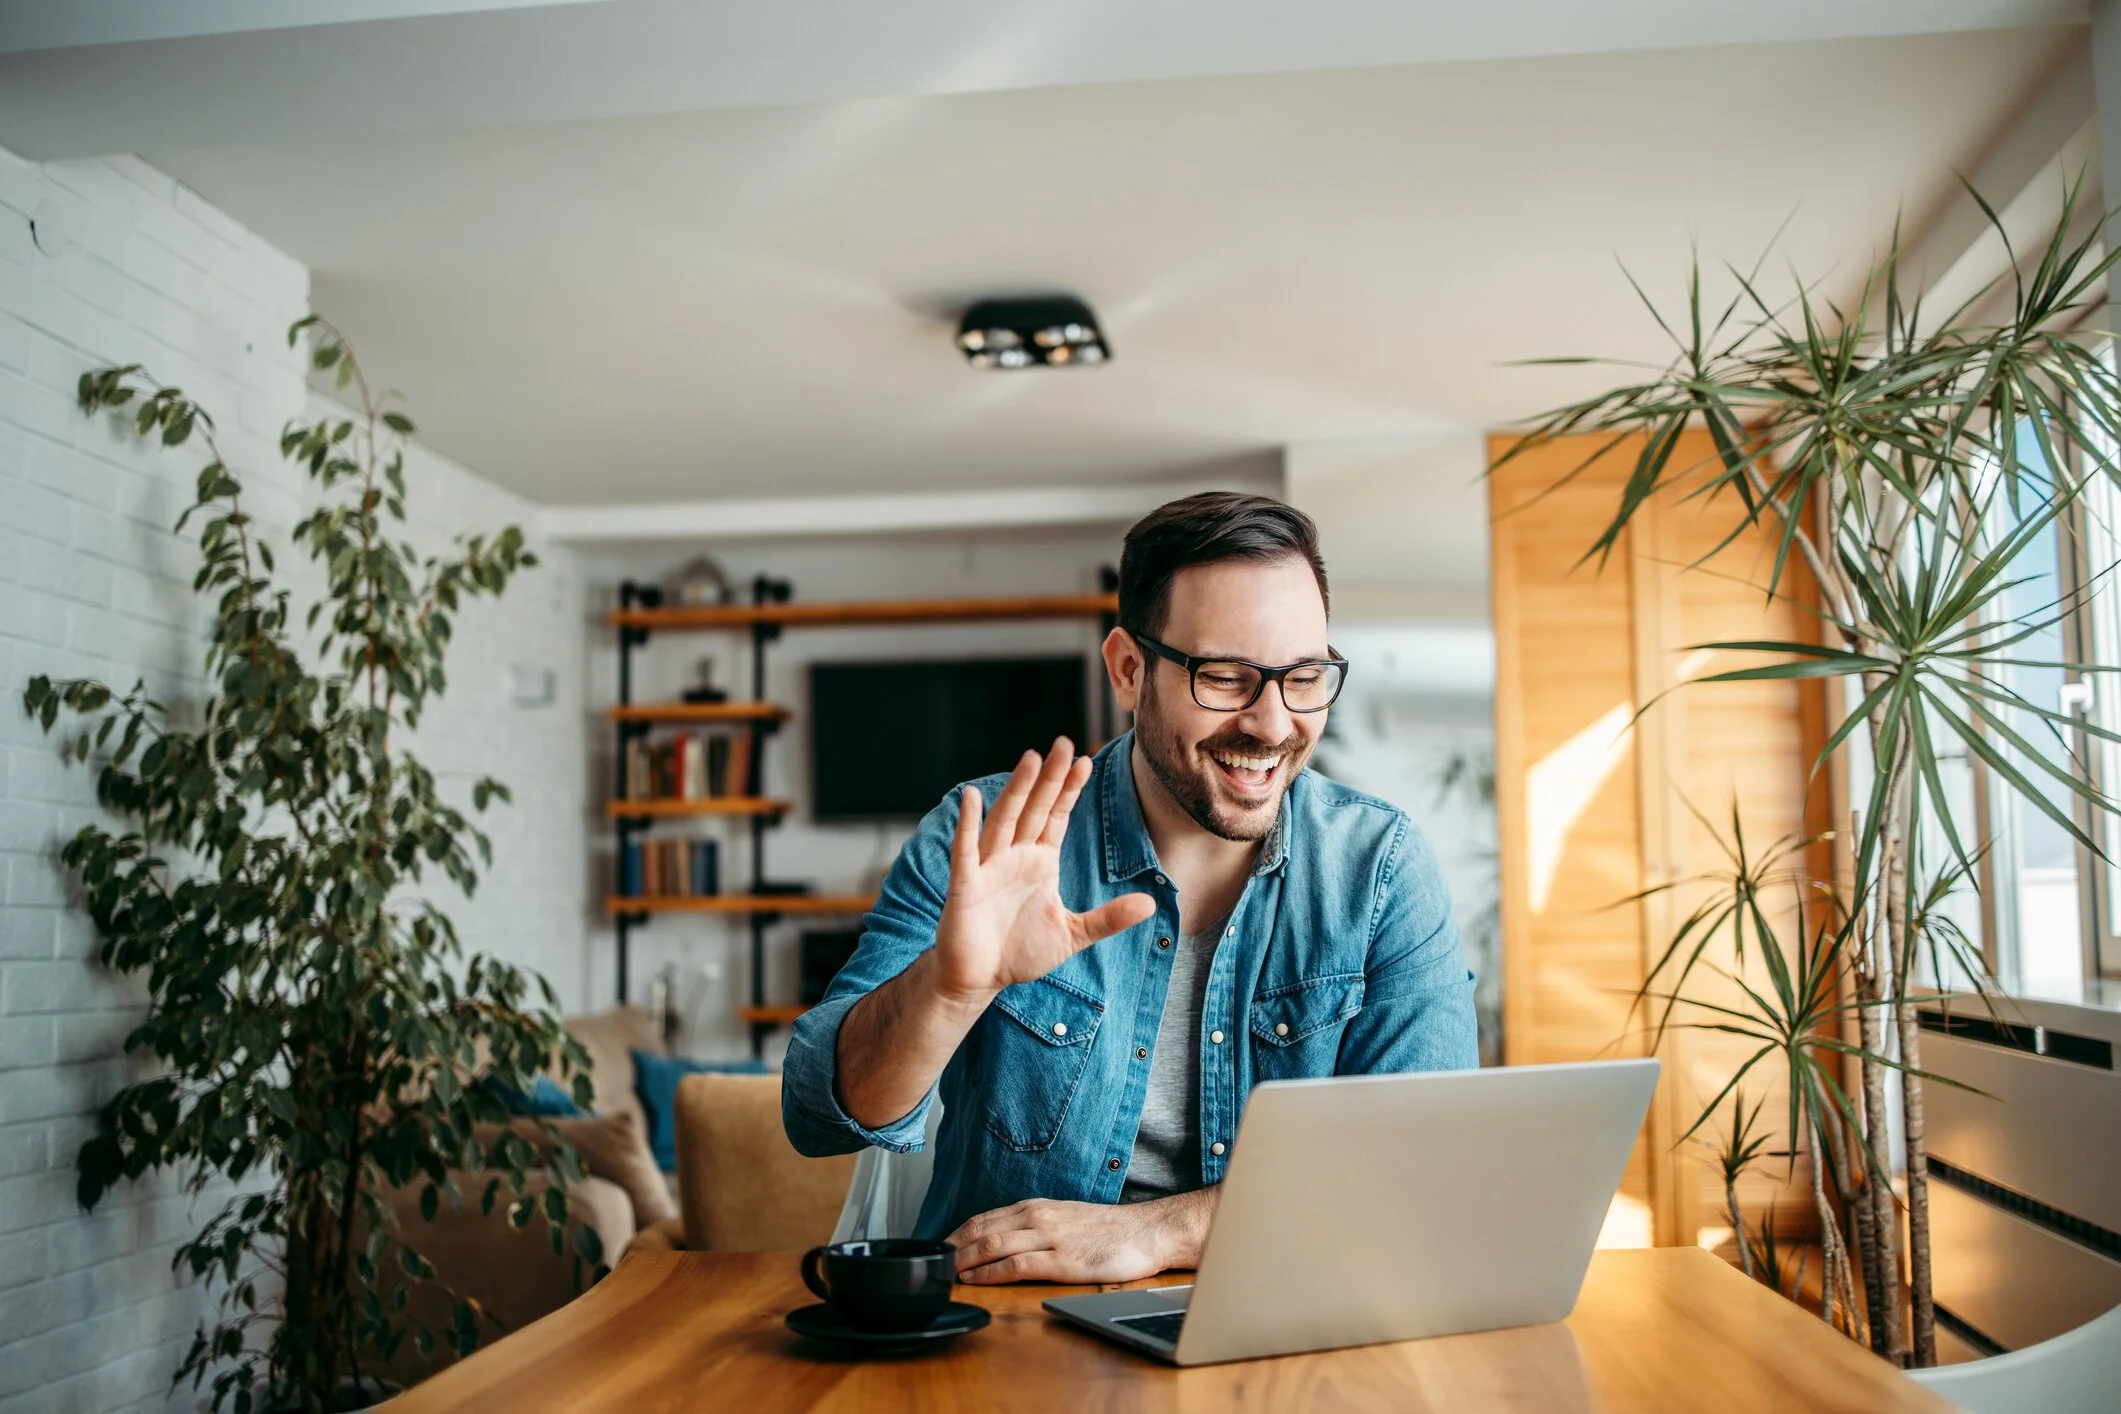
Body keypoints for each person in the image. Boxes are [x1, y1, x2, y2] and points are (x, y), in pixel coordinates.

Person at [782, 491, 1476, 1285]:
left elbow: (1421, 1162)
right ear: (1127, 668)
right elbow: (816, 1117)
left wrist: (1159, 1233)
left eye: (1304, 677)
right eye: (1225, 676)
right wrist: (946, 991)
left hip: (1284, 1310)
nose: (1273, 723)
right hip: (1009, 1328)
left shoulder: (1380, 869)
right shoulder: (984, 839)